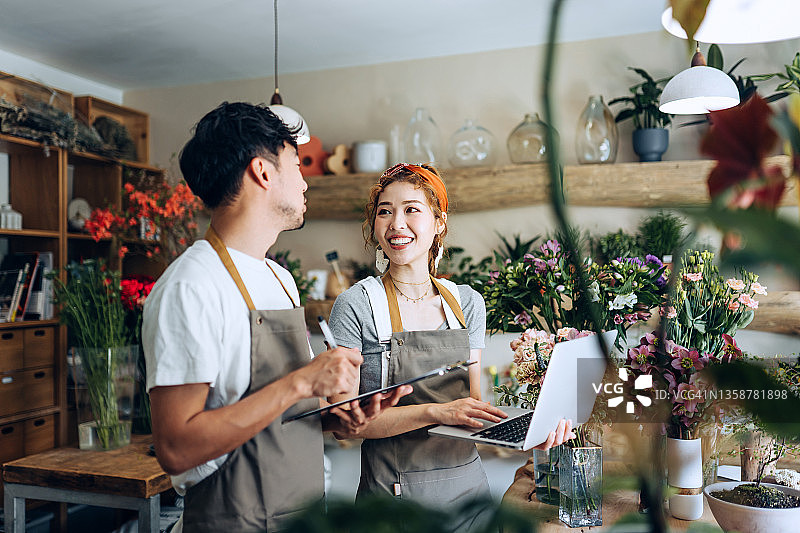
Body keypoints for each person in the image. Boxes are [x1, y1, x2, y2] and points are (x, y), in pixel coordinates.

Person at [142, 102, 409, 533]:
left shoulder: (278, 277)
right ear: (262, 172)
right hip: (235, 519)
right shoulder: (191, 287)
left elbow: (281, 409)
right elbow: (176, 447)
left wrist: (337, 414)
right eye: (296, 163)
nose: (305, 180)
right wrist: (303, 381)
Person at [328, 163, 575, 532]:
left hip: (469, 500)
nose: (396, 223)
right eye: (385, 211)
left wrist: (529, 433)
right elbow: (342, 425)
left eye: (412, 209)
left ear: (438, 222)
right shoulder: (356, 305)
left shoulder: (466, 303)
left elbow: (471, 408)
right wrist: (437, 412)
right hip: (392, 504)